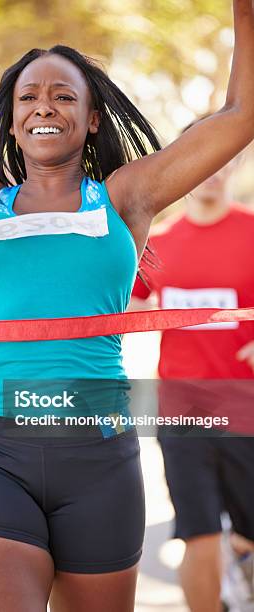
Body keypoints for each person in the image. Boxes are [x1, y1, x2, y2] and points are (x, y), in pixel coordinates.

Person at [0, 1, 253, 610]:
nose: (44, 105)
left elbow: (240, 115)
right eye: (28, 97)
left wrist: (245, 17)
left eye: (64, 96)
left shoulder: (126, 197)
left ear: (91, 120)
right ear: (11, 121)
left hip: (98, 458)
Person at [130, 144, 254, 612]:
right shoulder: (156, 244)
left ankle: (241, 558)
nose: (211, 172)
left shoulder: (251, 231)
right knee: (197, 531)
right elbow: (121, 309)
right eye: (203, 160)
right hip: (182, 410)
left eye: (223, 161)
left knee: (248, 533)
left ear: (235, 166)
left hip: (246, 407)